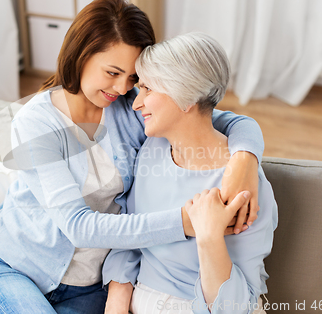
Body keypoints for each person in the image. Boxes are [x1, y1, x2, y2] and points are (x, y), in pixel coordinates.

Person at [0, 0, 265, 314]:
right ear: (81, 55)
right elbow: (78, 226)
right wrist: (187, 222)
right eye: (112, 72)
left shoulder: (132, 109)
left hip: (89, 288)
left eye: (133, 77)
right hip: (13, 270)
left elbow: (218, 117)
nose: (123, 88)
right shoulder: (35, 124)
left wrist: (245, 158)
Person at [102, 32, 278, 314]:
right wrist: (117, 297)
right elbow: (131, 231)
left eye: (147, 89)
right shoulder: (153, 148)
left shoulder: (243, 186)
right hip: (141, 301)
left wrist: (209, 238)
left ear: (185, 97)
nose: (136, 103)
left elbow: (235, 307)